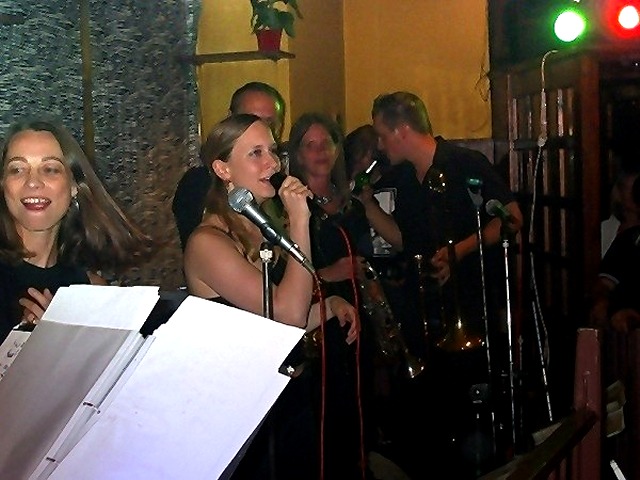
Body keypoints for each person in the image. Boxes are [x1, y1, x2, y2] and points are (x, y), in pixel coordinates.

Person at [182, 113, 359, 480]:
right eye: (256, 153)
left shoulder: (259, 230)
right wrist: (300, 221)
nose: (273, 163)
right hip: (243, 413)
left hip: (283, 396)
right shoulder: (208, 243)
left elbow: (268, 324)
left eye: (273, 151)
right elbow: (286, 316)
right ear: (223, 169)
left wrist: (328, 306)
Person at [370, 91, 523, 477]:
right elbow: (404, 241)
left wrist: (461, 250)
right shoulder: (402, 178)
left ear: (402, 130)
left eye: (382, 135)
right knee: (430, 424)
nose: (380, 145)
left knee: (474, 420)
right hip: (427, 319)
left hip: (473, 308)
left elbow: (512, 219)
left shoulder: (465, 163)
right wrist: (367, 206)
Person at [0, 118, 154, 343]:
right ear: (3, 185)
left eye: (50, 169)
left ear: (74, 187)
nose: (33, 182)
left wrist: (61, 344)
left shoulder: (92, 292)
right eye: (17, 169)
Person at [288, 112, 380, 479]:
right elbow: (282, 280)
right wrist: (330, 274)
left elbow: (368, 258)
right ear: (297, 155)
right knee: (325, 417)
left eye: (326, 143)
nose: (320, 151)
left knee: (360, 409)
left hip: (357, 320)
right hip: (317, 326)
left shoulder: (352, 206)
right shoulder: (288, 210)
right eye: (310, 145)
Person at [172, 81, 286, 250]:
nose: (260, 128)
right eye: (248, 119)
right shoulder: (199, 183)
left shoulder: (275, 179)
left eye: (269, 123)